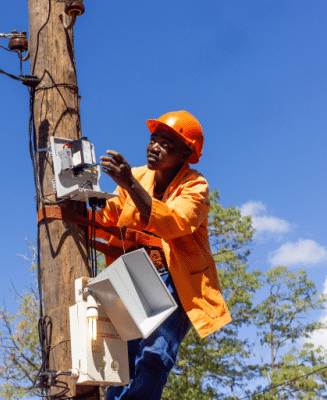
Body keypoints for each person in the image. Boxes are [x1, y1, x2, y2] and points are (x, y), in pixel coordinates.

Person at [96, 110, 231, 400]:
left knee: (155, 355)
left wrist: (129, 185)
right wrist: (76, 202)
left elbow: (175, 222)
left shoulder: (195, 186)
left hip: (173, 279)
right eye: (153, 139)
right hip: (135, 275)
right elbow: (107, 218)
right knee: (124, 359)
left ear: (185, 154)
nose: (154, 146)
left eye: (166, 143)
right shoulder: (136, 178)